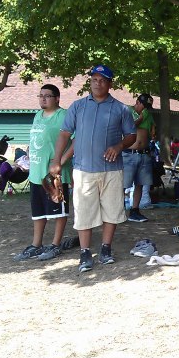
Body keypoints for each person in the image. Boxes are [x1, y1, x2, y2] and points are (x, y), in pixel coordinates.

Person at [49, 64, 136, 273]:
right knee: (84, 211)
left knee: (112, 210)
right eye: (94, 79)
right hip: (83, 170)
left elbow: (132, 136)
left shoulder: (120, 109)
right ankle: (85, 252)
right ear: (90, 82)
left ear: (110, 83)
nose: (98, 83)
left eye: (102, 80)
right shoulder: (78, 107)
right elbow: (64, 134)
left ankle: (106, 249)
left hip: (112, 169)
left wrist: (119, 146)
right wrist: (56, 160)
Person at [14, 84, 75, 261]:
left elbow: (75, 140)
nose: (43, 98)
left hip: (54, 174)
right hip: (36, 173)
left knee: (58, 210)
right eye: (40, 95)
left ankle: (55, 245)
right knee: (38, 211)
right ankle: (36, 244)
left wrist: (61, 161)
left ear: (57, 98)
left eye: (47, 96)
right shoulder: (37, 116)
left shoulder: (63, 116)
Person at [123, 93, 155, 223]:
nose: (146, 109)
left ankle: (134, 210)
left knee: (140, 183)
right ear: (137, 102)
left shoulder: (149, 115)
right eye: (144, 106)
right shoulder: (128, 111)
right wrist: (141, 118)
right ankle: (118, 211)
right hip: (129, 153)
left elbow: (152, 129)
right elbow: (129, 127)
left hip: (144, 153)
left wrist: (153, 131)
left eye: (148, 107)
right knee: (124, 184)